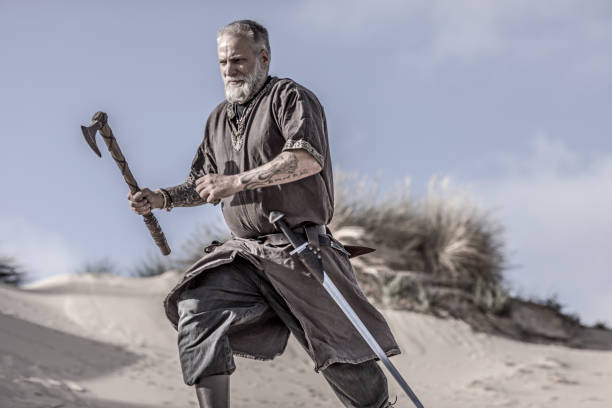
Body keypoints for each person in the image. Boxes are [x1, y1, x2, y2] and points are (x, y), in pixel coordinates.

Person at [128, 20, 400, 408]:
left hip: (301, 252)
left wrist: (236, 182)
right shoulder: (217, 119)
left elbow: (305, 160)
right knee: (196, 305)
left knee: (345, 362)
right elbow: (202, 182)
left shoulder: (291, 97)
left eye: (237, 60)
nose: (229, 70)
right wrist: (159, 198)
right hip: (246, 257)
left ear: (264, 57)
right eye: (222, 62)